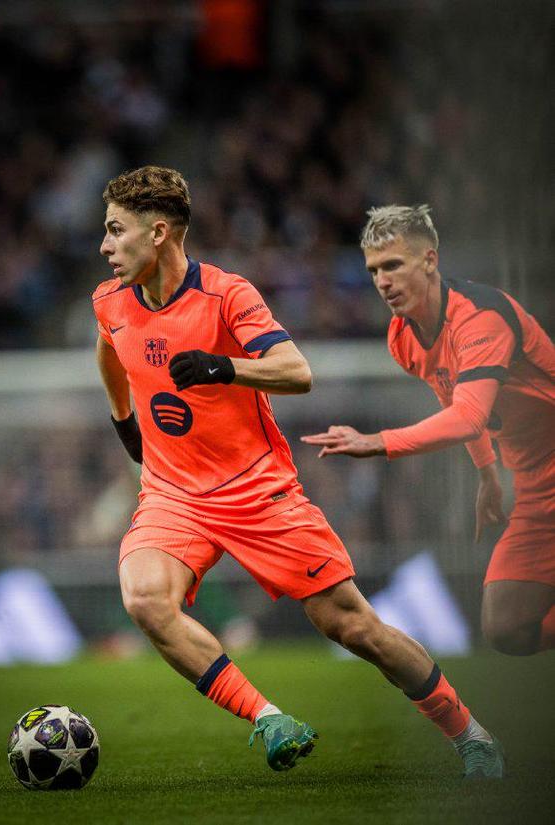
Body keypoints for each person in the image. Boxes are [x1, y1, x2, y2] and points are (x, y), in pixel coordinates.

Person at [94, 167, 504, 777]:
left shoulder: (227, 295)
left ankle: (468, 732)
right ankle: (269, 719)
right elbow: (109, 349)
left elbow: (297, 371)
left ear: (158, 233)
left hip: (257, 491)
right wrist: (124, 420)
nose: (105, 246)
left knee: (354, 627)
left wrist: (224, 367)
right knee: (146, 598)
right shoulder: (110, 300)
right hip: (173, 494)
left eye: (115, 230)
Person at [303, 204, 555, 658]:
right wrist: (487, 473)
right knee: (507, 627)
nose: (382, 281)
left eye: (393, 265)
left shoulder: (481, 317)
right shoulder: (402, 337)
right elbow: (452, 397)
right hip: (537, 486)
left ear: (430, 260)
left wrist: (379, 442)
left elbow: (469, 416)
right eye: (374, 270)